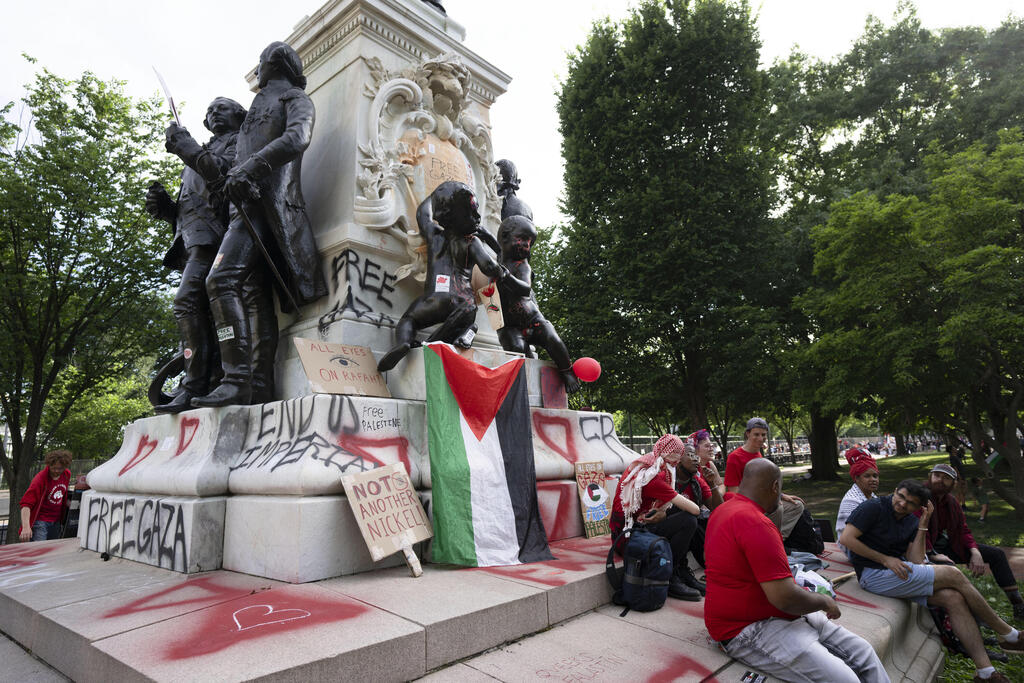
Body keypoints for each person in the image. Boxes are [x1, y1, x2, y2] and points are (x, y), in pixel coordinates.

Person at [193, 41, 328, 407]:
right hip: (244, 209)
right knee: (254, 296)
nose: (257, 69)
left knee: (220, 280)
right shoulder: (256, 108)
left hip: (266, 206)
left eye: (261, 62)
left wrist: (252, 167)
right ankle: (257, 384)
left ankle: (236, 379)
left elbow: (297, 137)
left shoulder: (293, 99)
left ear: (275, 63)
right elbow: (227, 170)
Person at [705, 458, 888, 682]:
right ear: (775, 488)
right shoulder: (756, 523)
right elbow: (784, 598)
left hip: (780, 616)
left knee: (864, 652)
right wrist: (824, 601)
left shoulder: (725, 509)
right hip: (747, 628)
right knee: (846, 679)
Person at [840, 480, 1022, 682]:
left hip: (897, 572)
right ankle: (1008, 634)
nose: (902, 504)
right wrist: (885, 559)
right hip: (871, 574)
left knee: (953, 598)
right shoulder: (872, 507)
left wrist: (923, 524)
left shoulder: (912, 520)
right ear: (894, 491)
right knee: (953, 575)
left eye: (910, 503)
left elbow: (917, 559)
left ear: (919, 507)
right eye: (900, 496)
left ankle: (985, 672)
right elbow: (847, 539)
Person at [146, 97, 247, 413]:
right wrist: (165, 208)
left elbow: (222, 178)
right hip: (192, 242)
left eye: (222, 107)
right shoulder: (203, 150)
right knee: (196, 309)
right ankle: (198, 381)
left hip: (217, 241)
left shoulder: (238, 142)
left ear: (240, 116)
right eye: (209, 110)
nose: (213, 112)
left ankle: (193, 384)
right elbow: (193, 206)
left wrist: (186, 147)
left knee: (185, 302)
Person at [377, 182, 509, 372]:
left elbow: (423, 213)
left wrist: (439, 193)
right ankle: (466, 333)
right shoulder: (472, 242)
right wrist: (499, 266)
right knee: (469, 318)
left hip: (434, 298)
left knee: (409, 320)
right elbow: (488, 266)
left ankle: (403, 343)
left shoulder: (434, 235)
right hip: (461, 300)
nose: (478, 217)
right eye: (473, 213)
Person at [923, 464, 1024, 622]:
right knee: (952, 572)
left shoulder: (951, 502)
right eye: (937, 476)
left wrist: (974, 552)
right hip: (921, 550)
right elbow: (916, 530)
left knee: (996, 555)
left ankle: (1018, 605)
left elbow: (962, 530)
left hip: (941, 546)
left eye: (946, 478)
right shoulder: (921, 496)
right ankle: (977, 620)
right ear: (930, 477)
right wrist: (933, 554)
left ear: (954, 483)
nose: (940, 480)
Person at [609, 434, 704, 601]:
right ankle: (672, 574)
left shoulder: (649, 463)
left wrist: (663, 513)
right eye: (681, 455)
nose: (679, 460)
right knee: (689, 519)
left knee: (680, 514)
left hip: (629, 530)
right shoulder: (653, 476)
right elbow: (695, 509)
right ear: (674, 455)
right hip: (629, 538)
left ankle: (681, 570)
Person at [493, 214, 579, 392]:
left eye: (530, 242)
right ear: (505, 237)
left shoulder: (521, 265)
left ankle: (567, 370)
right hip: (509, 326)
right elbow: (492, 248)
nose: (527, 245)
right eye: (523, 239)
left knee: (552, 339)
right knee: (517, 349)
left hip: (533, 319)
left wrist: (506, 277)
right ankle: (528, 378)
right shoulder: (497, 260)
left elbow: (524, 289)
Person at [725, 416, 805, 541]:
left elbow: (766, 485)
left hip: (764, 502)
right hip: (745, 507)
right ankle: (770, 540)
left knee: (797, 506)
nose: (761, 438)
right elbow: (732, 491)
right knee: (777, 509)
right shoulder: (734, 457)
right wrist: (764, 503)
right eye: (756, 434)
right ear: (748, 434)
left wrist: (781, 496)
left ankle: (776, 539)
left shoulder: (758, 454)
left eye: (763, 435)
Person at [667, 429, 724, 573]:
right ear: (678, 459)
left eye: (695, 455)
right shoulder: (666, 478)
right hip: (658, 526)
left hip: (686, 524)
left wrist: (712, 484)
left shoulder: (697, 481)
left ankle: (715, 567)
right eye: (690, 455)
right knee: (691, 520)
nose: (695, 459)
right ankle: (676, 572)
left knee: (697, 521)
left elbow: (718, 509)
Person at [18, 450, 73, 542]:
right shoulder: (40, 479)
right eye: (54, 468)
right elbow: (26, 504)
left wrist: (69, 503)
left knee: (51, 550)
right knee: (39, 549)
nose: (56, 471)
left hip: (56, 521)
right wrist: (26, 527)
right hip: (40, 521)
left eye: (60, 468)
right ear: (49, 465)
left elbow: (61, 494)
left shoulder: (66, 474)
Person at [835, 446, 879, 550]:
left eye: (875, 476)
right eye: (867, 476)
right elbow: (848, 539)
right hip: (853, 549)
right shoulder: (851, 501)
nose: (873, 479)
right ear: (856, 478)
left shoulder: (872, 496)